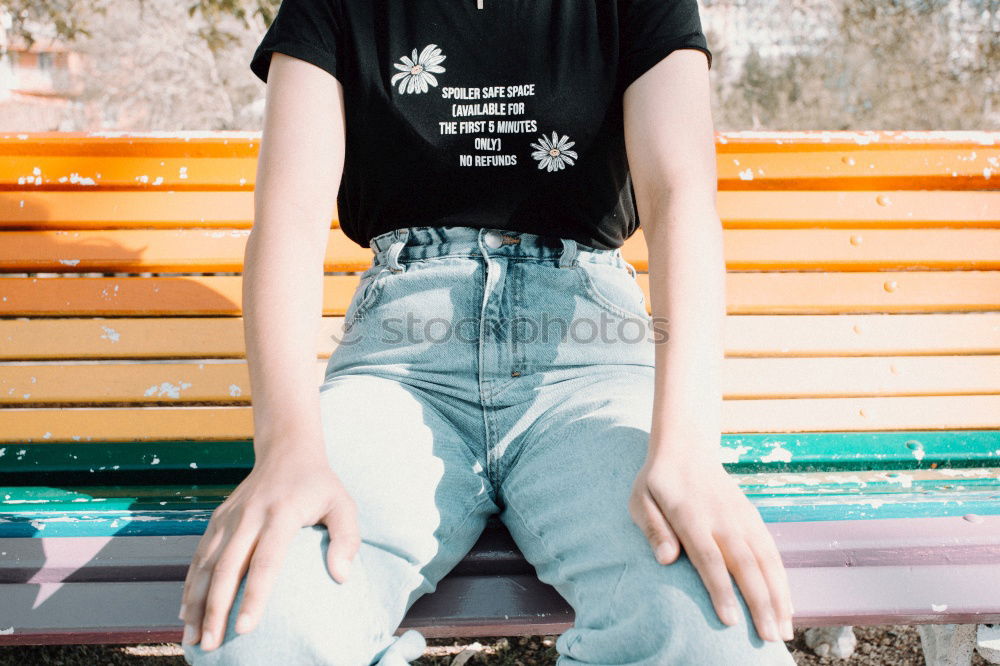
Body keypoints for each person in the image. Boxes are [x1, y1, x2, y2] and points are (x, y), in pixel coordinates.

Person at [180, 1, 798, 664]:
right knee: (259, 628)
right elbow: (289, 217)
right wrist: (288, 449)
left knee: (715, 631)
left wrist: (688, 448)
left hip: (586, 361)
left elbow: (681, 197)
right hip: (400, 371)